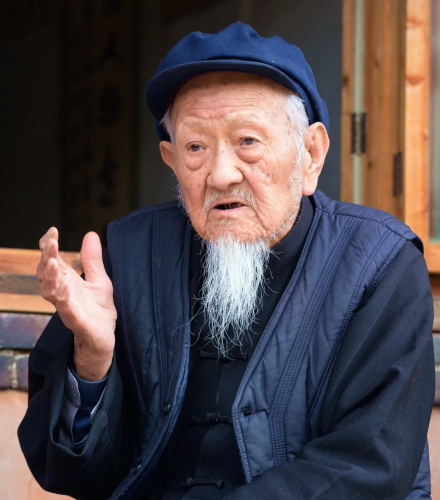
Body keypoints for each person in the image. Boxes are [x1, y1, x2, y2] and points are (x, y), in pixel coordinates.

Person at [18, 23, 434, 500]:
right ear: (171, 159)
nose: (220, 173)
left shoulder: (378, 266)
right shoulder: (130, 256)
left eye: (247, 142)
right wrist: (93, 359)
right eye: (196, 147)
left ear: (311, 154)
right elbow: (67, 472)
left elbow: (368, 465)